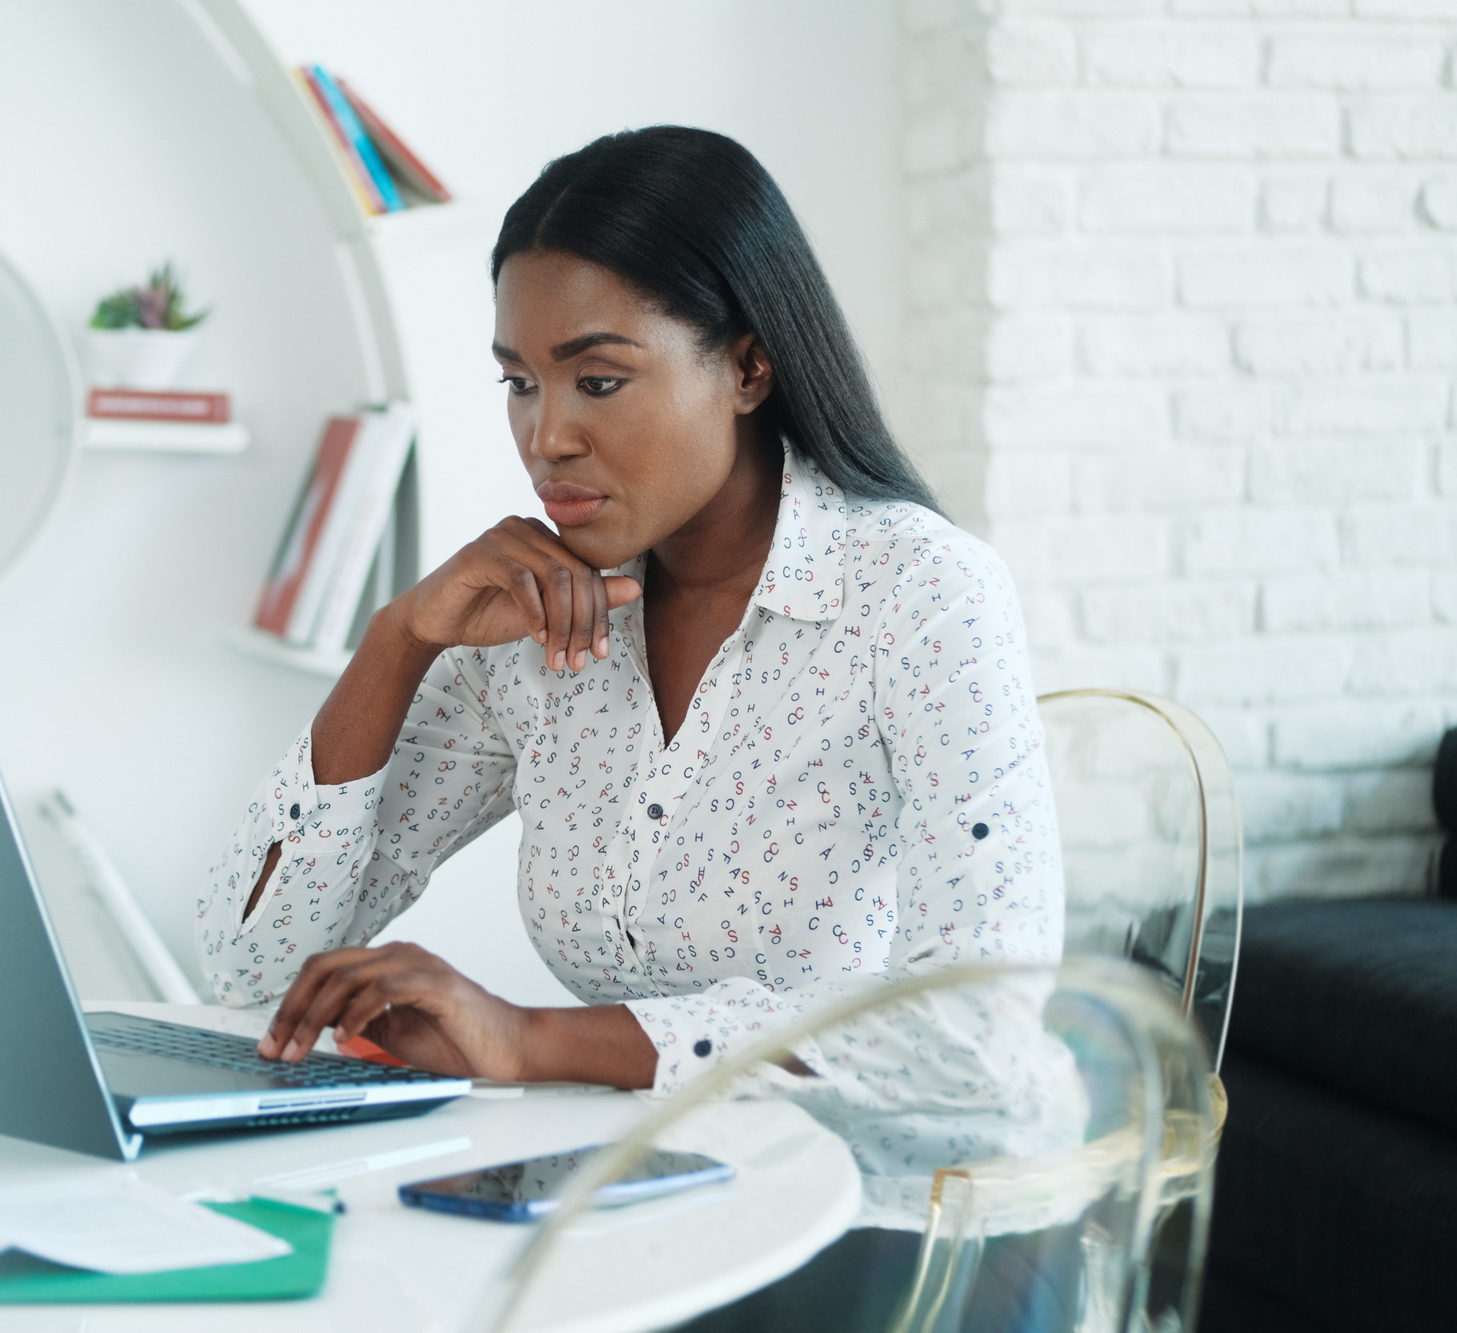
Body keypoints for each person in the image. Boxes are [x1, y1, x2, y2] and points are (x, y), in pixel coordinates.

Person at [199, 126, 1072, 1329]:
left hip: (905, 1223)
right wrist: (396, 639)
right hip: (658, 1207)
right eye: (518, 379)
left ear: (749, 366)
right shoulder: (539, 628)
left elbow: (968, 1030)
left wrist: (528, 1039)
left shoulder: (915, 599)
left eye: (595, 379)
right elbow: (247, 966)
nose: (545, 433)